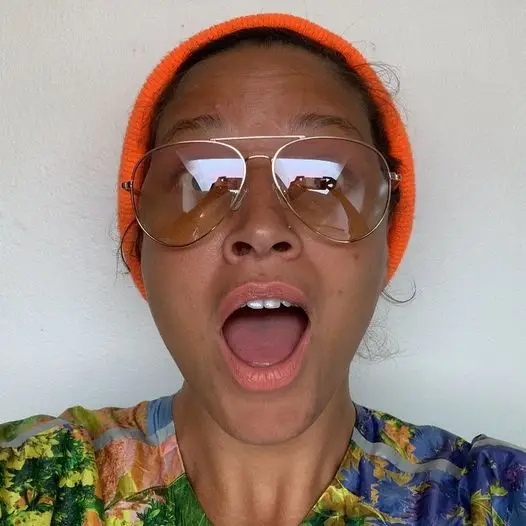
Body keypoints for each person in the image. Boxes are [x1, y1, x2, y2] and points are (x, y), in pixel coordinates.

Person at [0, 12, 524, 526]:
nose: (261, 227)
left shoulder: (491, 498)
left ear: (387, 237)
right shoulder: (32, 485)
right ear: (141, 247)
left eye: (322, 180)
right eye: (203, 180)